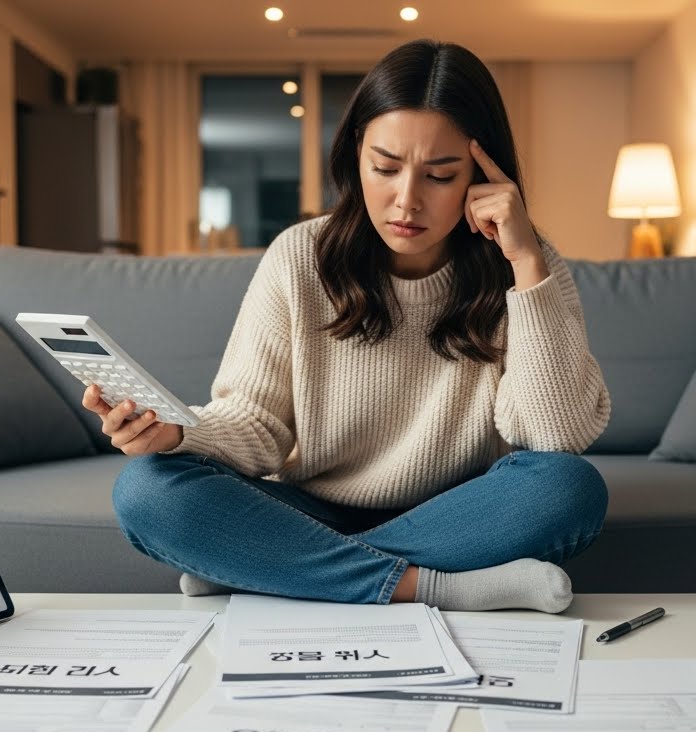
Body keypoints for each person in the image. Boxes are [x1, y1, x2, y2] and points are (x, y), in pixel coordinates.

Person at [85, 39, 611, 613]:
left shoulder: (525, 261)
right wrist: (178, 435)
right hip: (314, 508)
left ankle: (271, 569)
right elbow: (257, 424)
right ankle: (436, 587)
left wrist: (527, 267)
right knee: (147, 490)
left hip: (463, 511)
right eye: (384, 168)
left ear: (483, 175)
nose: (405, 201)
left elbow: (553, 436)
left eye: (440, 175)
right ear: (355, 155)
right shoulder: (300, 255)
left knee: (568, 487)